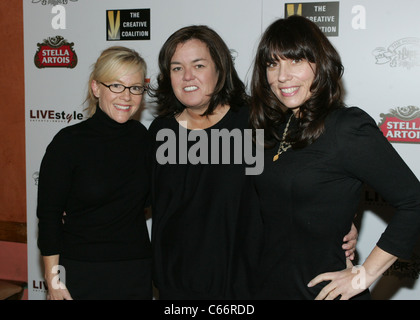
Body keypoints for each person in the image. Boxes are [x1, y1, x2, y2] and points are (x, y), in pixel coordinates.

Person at [148, 25, 357, 300]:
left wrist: (344, 221)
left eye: (198, 65)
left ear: (220, 69)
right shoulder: (160, 132)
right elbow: (135, 194)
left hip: (246, 284)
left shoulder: (257, 123)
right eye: (176, 68)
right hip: (177, 286)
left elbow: (314, 175)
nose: (187, 76)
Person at [247, 15, 420, 300]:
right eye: (272, 63)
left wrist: (364, 275)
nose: (282, 76)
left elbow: (414, 201)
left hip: (322, 293)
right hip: (271, 287)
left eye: (296, 61)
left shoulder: (346, 127)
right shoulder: (275, 128)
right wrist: (344, 216)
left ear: (321, 64)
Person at [37, 46, 153, 300]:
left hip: (135, 270)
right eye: (116, 86)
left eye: (135, 88)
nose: (126, 96)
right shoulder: (68, 143)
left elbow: (151, 198)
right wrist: (53, 280)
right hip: (81, 272)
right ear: (96, 88)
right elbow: (48, 217)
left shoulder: (144, 139)